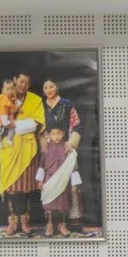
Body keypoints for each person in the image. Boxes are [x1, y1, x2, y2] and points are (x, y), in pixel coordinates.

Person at [0, 72, 45, 236]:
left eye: (26, 83)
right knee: (10, 188)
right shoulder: (2, 97)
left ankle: (25, 221)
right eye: (20, 82)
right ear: (14, 81)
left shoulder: (35, 100)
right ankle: (12, 220)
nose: (22, 86)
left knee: (25, 189)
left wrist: (15, 125)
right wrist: (4, 125)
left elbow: (39, 122)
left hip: (27, 149)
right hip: (9, 149)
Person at [41, 81, 87, 235]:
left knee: (66, 190)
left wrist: (71, 142)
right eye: (46, 87)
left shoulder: (66, 104)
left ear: (57, 87)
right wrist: (43, 141)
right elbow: (38, 126)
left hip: (65, 151)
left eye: (52, 86)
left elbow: (78, 124)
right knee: (49, 188)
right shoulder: (41, 106)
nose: (49, 90)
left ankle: (63, 224)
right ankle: (49, 224)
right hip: (49, 152)